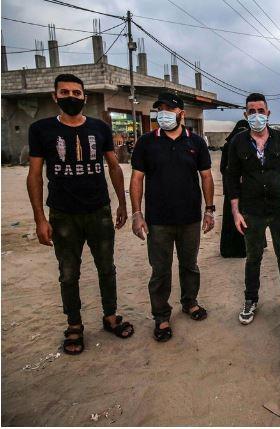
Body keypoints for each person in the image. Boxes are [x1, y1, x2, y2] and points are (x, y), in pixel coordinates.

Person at [26, 73, 134, 355]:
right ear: (55, 96)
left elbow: (113, 166)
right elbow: (35, 175)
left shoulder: (99, 128)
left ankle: (110, 316)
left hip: (98, 210)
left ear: (84, 97)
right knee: (68, 273)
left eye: (76, 93)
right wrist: (40, 218)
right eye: (65, 92)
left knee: (106, 268)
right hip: (63, 214)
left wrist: (122, 204)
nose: (71, 97)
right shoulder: (41, 129)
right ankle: (74, 324)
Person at [130, 92, 215, 342]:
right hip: (158, 220)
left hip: (190, 218)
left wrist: (209, 210)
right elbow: (137, 178)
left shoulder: (196, 142)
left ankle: (190, 302)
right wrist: (137, 213)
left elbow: (206, 176)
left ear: (181, 114)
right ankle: (161, 315)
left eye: (170, 109)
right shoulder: (146, 142)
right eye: (160, 109)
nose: (164, 114)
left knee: (190, 265)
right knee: (160, 270)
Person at [226, 93, 280, 325]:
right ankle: (251, 299)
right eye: (252, 111)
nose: (257, 115)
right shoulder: (238, 142)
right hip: (251, 210)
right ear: (246, 114)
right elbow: (232, 178)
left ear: (268, 113)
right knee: (253, 256)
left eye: (260, 111)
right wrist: (236, 211)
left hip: (279, 208)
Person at [219, 120, 249, 258]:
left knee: (232, 219)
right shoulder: (242, 144)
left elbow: (222, 168)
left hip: (233, 190)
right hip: (241, 190)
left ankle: (230, 249)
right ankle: (243, 248)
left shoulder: (228, 145)